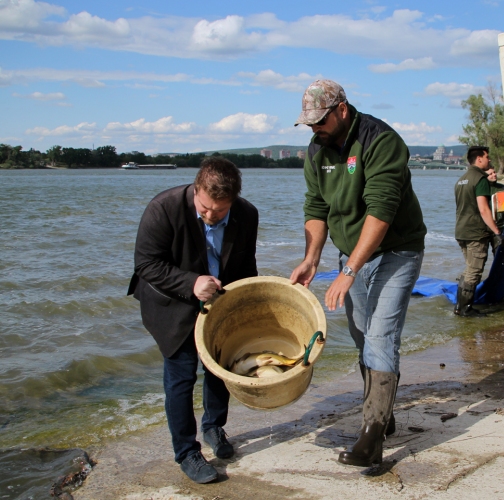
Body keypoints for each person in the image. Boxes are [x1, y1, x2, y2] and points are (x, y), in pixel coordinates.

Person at [290, 79, 426, 468]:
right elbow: (316, 206)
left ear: (342, 109)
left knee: (381, 335)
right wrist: (312, 258)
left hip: (396, 250)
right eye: (309, 122)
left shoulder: (381, 141)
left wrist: (349, 270)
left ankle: (371, 437)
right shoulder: (317, 150)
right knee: (363, 336)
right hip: (351, 253)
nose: (314, 128)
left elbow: (381, 209)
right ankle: (383, 413)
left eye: (320, 120)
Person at [127, 158, 259, 483]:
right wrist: (191, 283)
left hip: (221, 302)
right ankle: (187, 452)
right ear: (195, 188)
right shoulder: (162, 208)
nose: (210, 215)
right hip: (171, 303)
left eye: (220, 210)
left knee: (219, 369)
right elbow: (146, 264)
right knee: (181, 377)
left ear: (234, 200)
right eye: (204, 208)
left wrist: (247, 307)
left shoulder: (247, 213)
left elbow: (245, 266)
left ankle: (214, 428)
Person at [453, 146, 503, 316]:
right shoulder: (480, 179)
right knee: (474, 270)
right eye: (487, 157)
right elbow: (483, 209)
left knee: (469, 268)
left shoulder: (462, 179)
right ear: (479, 159)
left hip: (461, 230)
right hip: (475, 232)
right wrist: (496, 231)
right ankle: (465, 309)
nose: (489, 160)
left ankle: (460, 306)